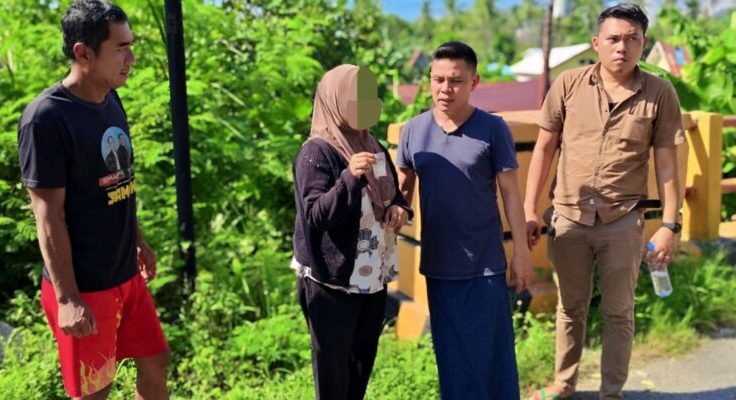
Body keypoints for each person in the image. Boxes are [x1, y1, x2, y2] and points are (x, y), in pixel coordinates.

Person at [523, 4, 685, 399]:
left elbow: (667, 163)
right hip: (568, 216)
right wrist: (528, 209)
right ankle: (564, 382)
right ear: (596, 42)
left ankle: (611, 392)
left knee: (618, 312)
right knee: (569, 307)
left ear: (644, 44)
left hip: (622, 219)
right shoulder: (568, 84)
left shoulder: (660, 93)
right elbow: (544, 148)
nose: (621, 47)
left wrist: (669, 225)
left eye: (632, 39)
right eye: (613, 39)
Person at [17, 1, 170, 399]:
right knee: (95, 390)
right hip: (85, 284)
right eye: (120, 49)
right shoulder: (46, 118)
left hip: (125, 274)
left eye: (131, 46)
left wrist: (138, 240)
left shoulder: (111, 99)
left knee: (155, 362)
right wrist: (68, 298)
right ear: (83, 53)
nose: (131, 59)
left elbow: (119, 182)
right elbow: (48, 216)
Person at [396, 41, 534, 400]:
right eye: (438, 79)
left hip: (485, 263)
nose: (445, 88)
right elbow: (400, 196)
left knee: (493, 356)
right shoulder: (413, 130)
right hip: (439, 264)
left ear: (474, 82)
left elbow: (511, 194)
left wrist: (521, 254)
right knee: (452, 358)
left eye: (455, 81)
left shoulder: (493, 128)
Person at [292, 64, 412, 399]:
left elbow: (393, 194)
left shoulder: (372, 146)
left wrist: (399, 208)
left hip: (373, 274)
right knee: (332, 367)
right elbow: (315, 215)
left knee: (361, 361)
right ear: (334, 101)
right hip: (332, 281)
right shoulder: (316, 153)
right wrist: (349, 177)